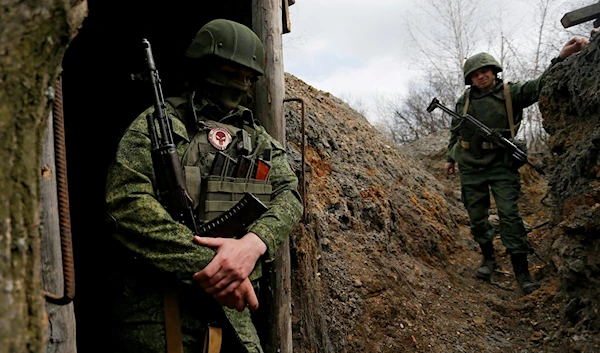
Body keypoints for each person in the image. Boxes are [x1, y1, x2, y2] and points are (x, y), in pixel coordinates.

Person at [105, 19, 303, 353]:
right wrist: (216, 266)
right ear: (205, 68)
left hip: (235, 311)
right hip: (162, 310)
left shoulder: (256, 139)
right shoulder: (159, 127)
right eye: (230, 73)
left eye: (248, 78)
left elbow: (289, 197)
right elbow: (127, 204)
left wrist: (253, 245)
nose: (240, 85)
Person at [445, 37, 588, 294]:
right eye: (475, 74)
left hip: (501, 164)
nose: (481, 77)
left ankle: (521, 270)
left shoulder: (513, 93)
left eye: (484, 71)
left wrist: (561, 57)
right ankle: (488, 257)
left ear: (493, 71)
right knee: (476, 218)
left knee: (510, 216)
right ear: (470, 78)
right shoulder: (464, 101)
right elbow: (456, 130)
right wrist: (449, 158)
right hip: (470, 165)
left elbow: (540, 85)